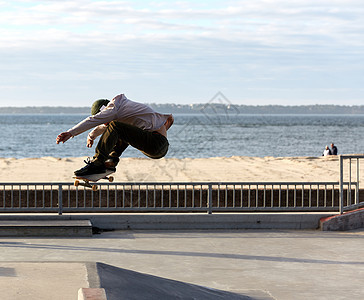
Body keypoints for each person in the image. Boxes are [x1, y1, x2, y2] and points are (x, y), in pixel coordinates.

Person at [56, 93, 174, 176]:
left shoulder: (115, 108)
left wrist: (70, 132)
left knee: (116, 127)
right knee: (119, 130)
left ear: (105, 112)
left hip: (156, 143)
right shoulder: (123, 113)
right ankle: (110, 162)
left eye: (105, 120)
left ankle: (97, 163)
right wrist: (91, 136)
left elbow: (93, 120)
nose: (105, 124)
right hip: (157, 146)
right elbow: (101, 127)